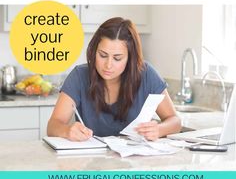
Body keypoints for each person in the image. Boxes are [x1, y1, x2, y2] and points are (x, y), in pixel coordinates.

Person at [47, 17, 181, 141]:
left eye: (117, 58)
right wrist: (66, 130)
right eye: (103, 55)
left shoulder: (146, 74)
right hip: (91, 161)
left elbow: (175, 121)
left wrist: (158, 129)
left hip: (135, 161)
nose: (108, 65)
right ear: (94, 51)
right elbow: (53, 126)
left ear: (130, 59)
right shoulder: (79, 76)